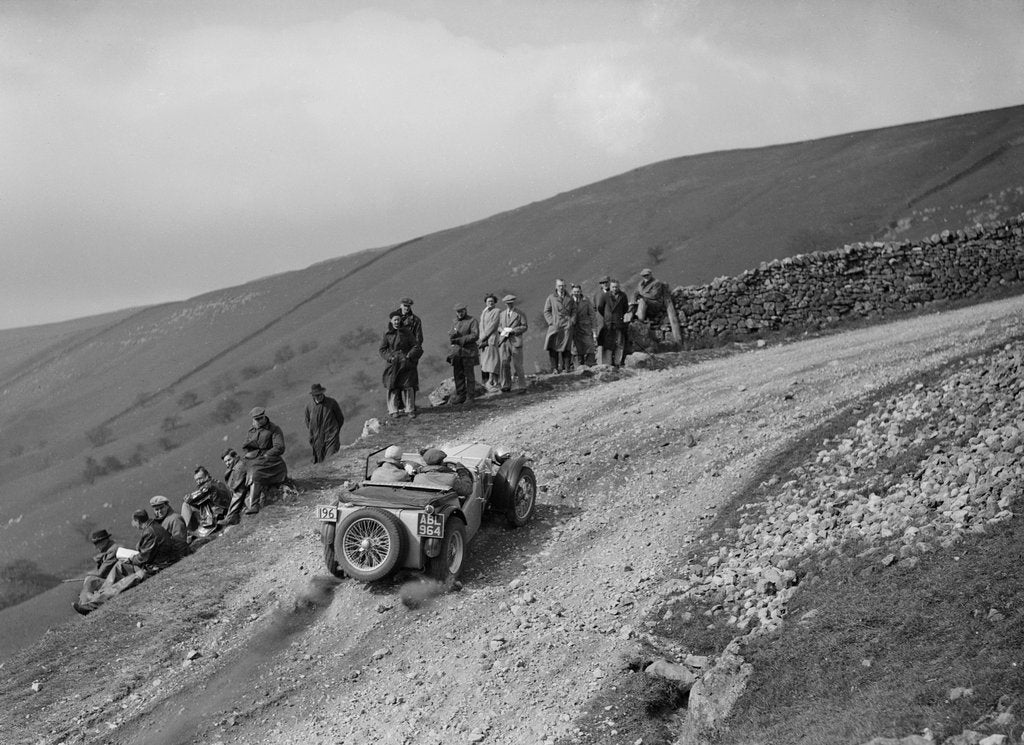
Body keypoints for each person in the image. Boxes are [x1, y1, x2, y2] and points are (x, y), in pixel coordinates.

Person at [109, 508, 189, 583]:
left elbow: (144, 557)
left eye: (133, 521)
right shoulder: (154, 525)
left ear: (137, 521)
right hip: (163, 560)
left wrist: (131, 559)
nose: (133, 524)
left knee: (119, 566)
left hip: (160, 565)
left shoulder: (149, 532)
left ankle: (102, 593)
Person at [241, 406, 288, 515]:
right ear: (253, 419)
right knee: (239, 472)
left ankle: (254, 505)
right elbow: (245, 446)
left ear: (264, 416)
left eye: (260, 418)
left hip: (273, 463)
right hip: (255, 460)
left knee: (255, 473)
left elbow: (279, 447)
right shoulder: (251, 431)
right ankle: (235, 512)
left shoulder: (274, 429)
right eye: (256, 419)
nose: (259, 421)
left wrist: (267, 454)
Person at [380, 311, 423, 418]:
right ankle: (393, 410)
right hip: (393, 364)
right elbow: (382, 349)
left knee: (408, 386)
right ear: (391, 321)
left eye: (398, 320)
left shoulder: (407, 332)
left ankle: (410, 409)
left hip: (406, 363)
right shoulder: (387, 334)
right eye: (394, 320)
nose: (396, 322)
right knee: (392, 386)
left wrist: (409, 356)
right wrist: (390, 358)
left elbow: (416, 346)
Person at [181, 466, 231, 538]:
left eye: (200, 478)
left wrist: (187, 497)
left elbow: (190, 499)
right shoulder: (216, 482)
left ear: (207, 476)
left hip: (217, 516)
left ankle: (186, 533)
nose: (198, 482)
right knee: (193, 505)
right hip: (223, 510)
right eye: (196, 480)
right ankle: (189, 531)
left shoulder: (208, 486)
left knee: (186, 505)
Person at [448, 302, 480, 405]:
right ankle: (461, 396)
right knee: (458, 375)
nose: (460, 313)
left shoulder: (472, 321)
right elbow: (452, 335)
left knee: (469, 375)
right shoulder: (455, 322)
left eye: (461, 311)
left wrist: (461, 339)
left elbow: (475, 335)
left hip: (468, 351)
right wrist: (452, 337)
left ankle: (470, 396)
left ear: (465, 311)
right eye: (458, 312)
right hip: (457, 352)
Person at [305, 383, 345, 464]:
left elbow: (340, 418)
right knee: (320, 461)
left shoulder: (332, 403)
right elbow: (308, 422)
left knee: (331, 458)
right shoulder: (309, 406)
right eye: (316, 395)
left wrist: (335, 431)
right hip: (317, 439)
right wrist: (313, 432)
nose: (319, 397)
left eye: (320, 394)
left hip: (331, 436)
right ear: (313, 396)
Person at [497, 294, 529, 394]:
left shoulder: (520, 313)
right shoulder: (502, 314)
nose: (509, 304)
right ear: (505, 304)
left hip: (515, 341)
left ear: (513, 302)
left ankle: (522, 386)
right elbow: (498, 326)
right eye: (507, 303)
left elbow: (524, 326)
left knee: (517, 364)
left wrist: (513, 330)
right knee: (504, 363)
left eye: (511, 303)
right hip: (504, 342)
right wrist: (502, 330)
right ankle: (506, 385)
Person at [543, 278, 576, 373]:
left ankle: (566, 368)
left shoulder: (569, 298)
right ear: (556, 286)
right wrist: (551, 322)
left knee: (566, 347)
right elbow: (546, 311)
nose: (561, 287)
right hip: (556, 326)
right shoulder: (551, 297)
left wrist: (572, 320)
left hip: (567, 326)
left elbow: (574, 310)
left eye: (563, 286)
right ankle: (554, 368)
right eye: (559, 286)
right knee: (553, 347)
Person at [596, 279, 630, 367]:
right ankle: (608, 364)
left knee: (619, 343)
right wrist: (607, 316)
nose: (615, 289)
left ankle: (617, 363)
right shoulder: (605, 296)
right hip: (608, 324)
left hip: (618, 322)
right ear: (610, 287)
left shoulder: (623, 296)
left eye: (616, 287)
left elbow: (625, 308)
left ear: (619, 287)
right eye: (613, 287)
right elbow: (600, 307)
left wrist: (619, 315)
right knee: (608, 344)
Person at [220, 448, 251, 526]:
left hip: (250, 492)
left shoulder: (239, 466)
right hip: (245, 492)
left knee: (238, 492)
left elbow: (236, 487)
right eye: (225, 462)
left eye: (229, 460)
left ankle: (231, 517)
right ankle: (232, 516)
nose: (227, 463)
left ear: (235, 457)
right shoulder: (232, 469)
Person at [478, 294, 502, 390]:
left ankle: (492, 379)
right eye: (488, 301)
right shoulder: (484, 312)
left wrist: (483, 337)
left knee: (493, 359)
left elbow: (492, 326)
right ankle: (491, 380)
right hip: (484, 340)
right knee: (485, 360)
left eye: (492, 301)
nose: (490, 303)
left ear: (495, 302)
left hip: (491, 338)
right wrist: (481, 338)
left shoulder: (497, 311)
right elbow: (481, 325)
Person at [570, 283, 597, 367]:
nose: (576, 293)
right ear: (572, 291)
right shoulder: (569, 301)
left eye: (578, 291)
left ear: (581, 291)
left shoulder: (586, 300)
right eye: (574, 291)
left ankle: (590, 365)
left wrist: (594, 329)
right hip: (574, 328)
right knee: (575, 349)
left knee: (589, 346)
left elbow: (592, 314)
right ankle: (578, 367)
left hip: (585, 327)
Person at [592, 275, 611, 361]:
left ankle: (609, 361)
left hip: (611, 321)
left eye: (606, 282)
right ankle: (600, 361)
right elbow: (594, 308)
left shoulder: (613, 293)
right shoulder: (597, 295)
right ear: (601, 284)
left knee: (611, 340)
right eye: (603, 283)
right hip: (600, 321)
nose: (605, 284)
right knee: (600, 340)